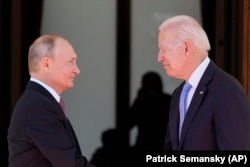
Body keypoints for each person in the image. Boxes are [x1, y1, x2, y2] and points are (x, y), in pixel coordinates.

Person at [157, 15, 250, 150]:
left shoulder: (227, 91)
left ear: (186, 47)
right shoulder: (179, 93)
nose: (159, 57)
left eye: (164, 49)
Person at [7, 35, 95, 166]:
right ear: (47, 64)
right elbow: (69, 164)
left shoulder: (39, 101)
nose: (77, 70)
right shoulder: (38, 106)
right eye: (70, 62)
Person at [126, 71, 171, 152]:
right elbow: (128, 123)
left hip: (162, 144)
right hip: (145, 146)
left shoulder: (168, 101)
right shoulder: (141, 102)